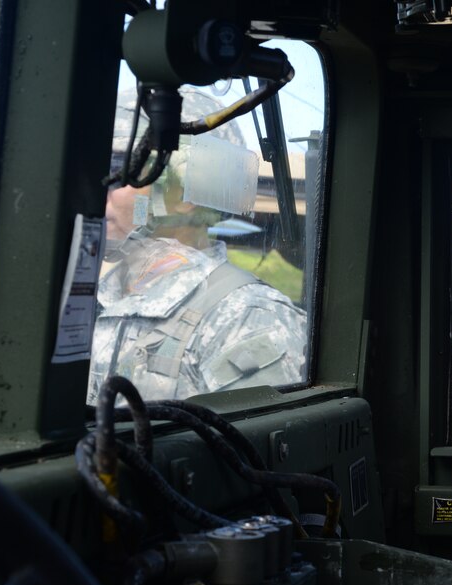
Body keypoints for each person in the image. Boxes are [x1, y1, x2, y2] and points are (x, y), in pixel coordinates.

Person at [88, 87, 308, 404]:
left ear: (183, 192)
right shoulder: (95, 298)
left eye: (118, 170)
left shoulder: (246, 319)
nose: (100, 189)